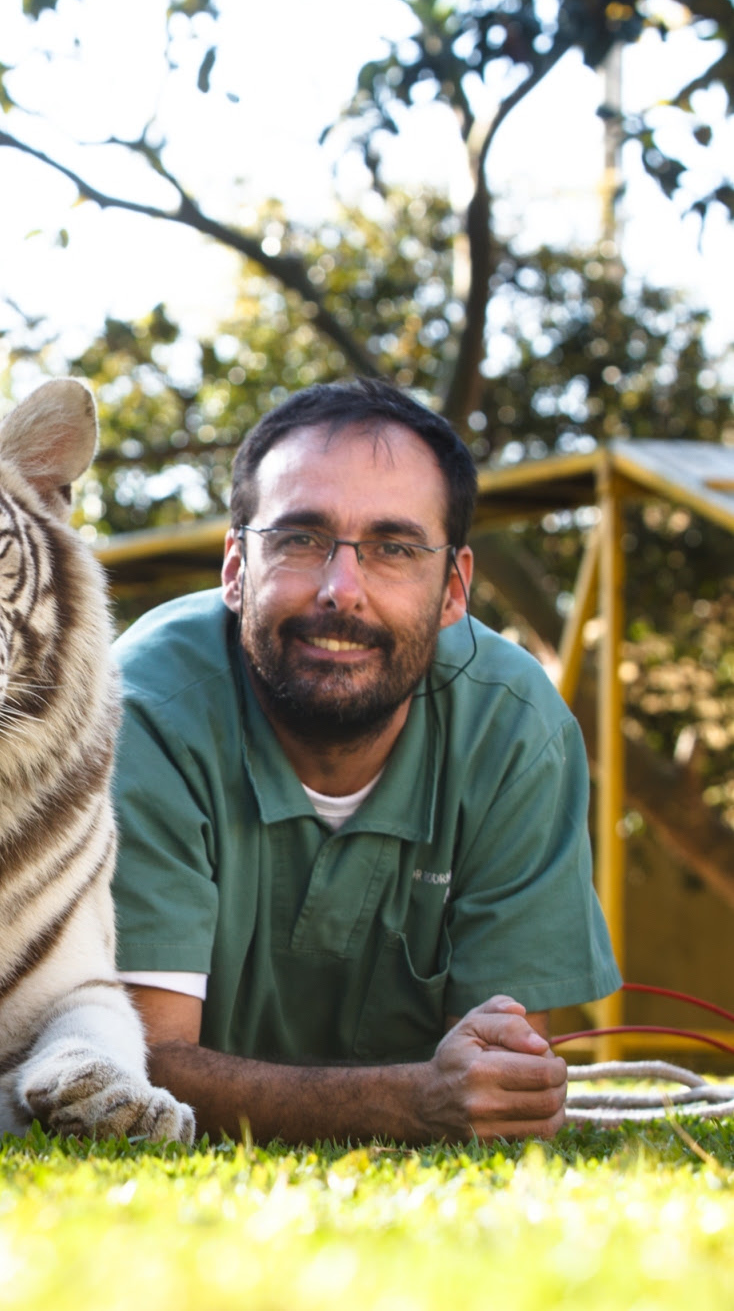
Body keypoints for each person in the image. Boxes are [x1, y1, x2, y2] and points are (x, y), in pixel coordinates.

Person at [110, 380, 619, 1143]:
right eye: (300, 539)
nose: (341, 590)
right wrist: (415, 1105)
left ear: (454, 589)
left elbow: (499, 1079)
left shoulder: (516, 731)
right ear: (234, 569)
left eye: (394, 548)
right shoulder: (139, 708)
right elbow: (137, 1071)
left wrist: (469, 1092)